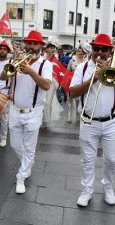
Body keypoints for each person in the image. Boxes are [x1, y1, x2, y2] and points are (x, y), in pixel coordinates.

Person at [1, 30, 52, 194]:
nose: (31, 46)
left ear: (41, 46)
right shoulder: (15, 61)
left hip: (33, 111)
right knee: (15, 144)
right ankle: (28, 163)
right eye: (28, 43)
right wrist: (14, 64)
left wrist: (30, 71)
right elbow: (3, 77)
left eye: (35, 44)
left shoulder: (46, 64)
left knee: (29, 148)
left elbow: (46, 85)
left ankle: (21, 176)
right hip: (15, 110)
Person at [70, 33, 115, 207]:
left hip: (111, 122)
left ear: (109, 51)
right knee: (87, 159)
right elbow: (72, 92)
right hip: (88, 122)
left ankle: (108, 187)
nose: (100, 52)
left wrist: (108, 72)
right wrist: (94, 78)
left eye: (104, 49)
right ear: (92, 49)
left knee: (112, 159)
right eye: (97, 48)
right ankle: (87, 190)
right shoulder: (81, 68)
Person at [42, 36, 63, 130]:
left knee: (48, 102)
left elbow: (58, 72)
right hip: (41, 82)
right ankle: (42, 122)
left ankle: (47, 123)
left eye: (53, 47)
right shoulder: (42, 58)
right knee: (42, 102)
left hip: (52, 83)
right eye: (50, 47)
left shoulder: (55, 60)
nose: (52, 49)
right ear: (46, 48)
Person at [66, 42, 90, 123]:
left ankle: (78, 116)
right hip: (71, 82)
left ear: (84, 53)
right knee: (70, 101)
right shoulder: (72, 60)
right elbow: (67, 71)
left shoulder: (87, 62)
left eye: (82, 51)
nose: (80, 52)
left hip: (82, 84)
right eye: (79, 51)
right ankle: (69, 117)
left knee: (80, 101)